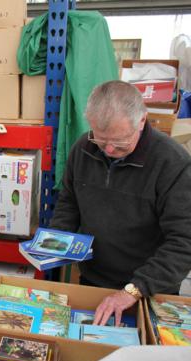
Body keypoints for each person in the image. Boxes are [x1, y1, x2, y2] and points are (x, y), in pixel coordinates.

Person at [50, 80, 191, 326]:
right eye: (101, 140)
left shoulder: (172, 163)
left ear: (142, 121)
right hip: (95, 279)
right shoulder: (83, 148)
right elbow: (70, 202)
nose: (110, 150)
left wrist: (133, 291)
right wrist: (54, 242)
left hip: (152, 288)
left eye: (121, 142)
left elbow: (184, 241)